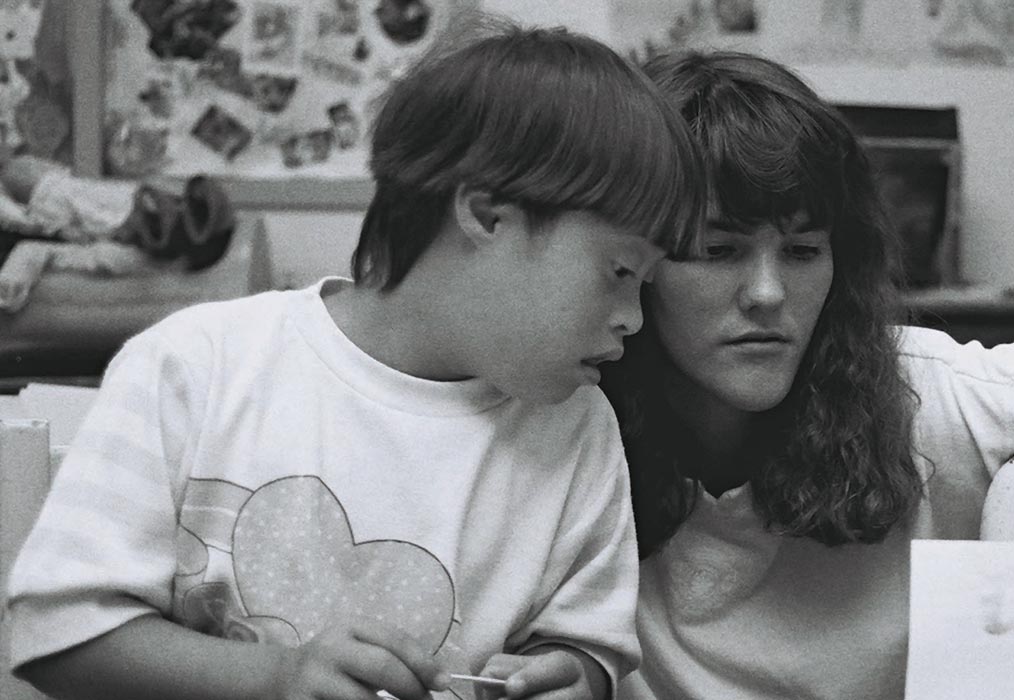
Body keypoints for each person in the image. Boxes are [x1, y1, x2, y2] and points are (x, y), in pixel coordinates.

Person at [4, 22, 704, 700]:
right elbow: (56, 634)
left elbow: (586, 646)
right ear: (488, 217)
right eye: (618, 273)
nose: (634, 320)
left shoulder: (579, 431)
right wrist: (275, 680)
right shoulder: (194, 366)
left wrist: (572, 675)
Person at [598, 50, 1014, 700]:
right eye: (718, 250)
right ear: (631, 263)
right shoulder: (564, 428)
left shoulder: (929, 392)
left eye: (801, 251)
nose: (767, 293)